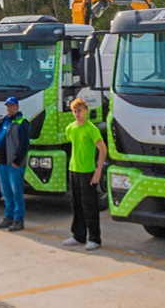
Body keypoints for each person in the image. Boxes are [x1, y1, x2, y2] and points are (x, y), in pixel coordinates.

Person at [63, 98, 107, 251]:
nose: (77, 114)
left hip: (88, 171)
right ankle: (78, 235)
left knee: (90, 206)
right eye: (75, 111)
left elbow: (103, 150)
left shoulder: (91, 129)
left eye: (80, 110)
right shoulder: (70, 128)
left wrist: (98, 171)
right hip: (74, 170)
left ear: (86, 111)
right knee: (76, 204)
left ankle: (94, 238)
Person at [0, 96, 30, 232]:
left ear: (17, 107)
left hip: (14, 165)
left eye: (12, 106)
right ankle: (8, 217)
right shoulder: (3, 121)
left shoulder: (22, 123)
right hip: (2, 163)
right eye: (7, 106)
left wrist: (17, 161)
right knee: (6, 192)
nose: (9, 108)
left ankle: (19, 220)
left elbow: (24, 144)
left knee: (16, 193)